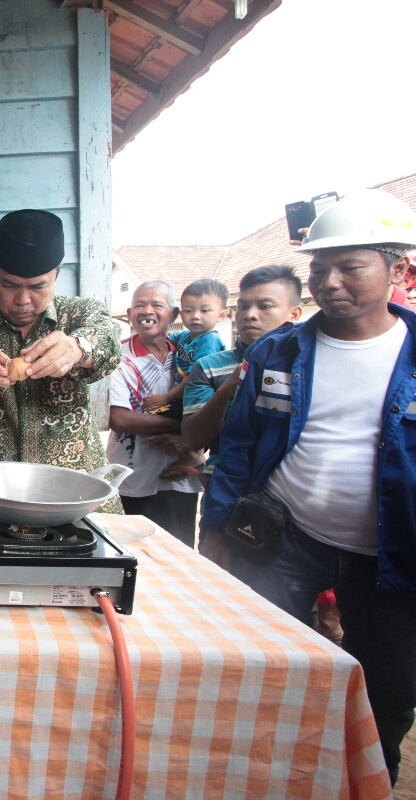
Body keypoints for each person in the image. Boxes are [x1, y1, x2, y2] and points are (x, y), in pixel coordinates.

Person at [199, 189, 416, 784]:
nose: (330, 282)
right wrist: (216, 533)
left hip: (393, 563)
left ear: (398, 270)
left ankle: (370, 783)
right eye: (320, 268)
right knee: (262, 671)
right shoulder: (279, 350)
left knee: (387, 693)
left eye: (350, 266)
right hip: (283, 542)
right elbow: (238, 447)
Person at [0, 209, 121, 490]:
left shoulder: (77, 314)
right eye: (9, 285)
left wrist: (78, 348)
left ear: (57, 273)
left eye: (38, 286)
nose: (23, 299)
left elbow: (109, 339)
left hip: (72, 491)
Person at [180, 265, 304, 481]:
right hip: (226, 484)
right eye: (243, 307)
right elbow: (194, 439)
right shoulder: (209, 366)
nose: (250, 315)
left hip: (292, 484)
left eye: (265, 306)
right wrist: (226, 391)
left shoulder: (306, 366)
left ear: (294, 313)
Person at [106, 280, 203, 545]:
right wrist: (184, 427)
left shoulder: (187, 356)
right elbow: (119, 419)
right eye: (139, 305)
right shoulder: (118, 358)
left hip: (180, 476)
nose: (147, 311)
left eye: (157, 305)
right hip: (132, 476)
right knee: (133, 551)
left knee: (178, 550)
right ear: (129, 314)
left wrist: (187, 439)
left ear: (173, 314)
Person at [141, 278, 228, 416]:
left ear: (221, 315)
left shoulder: (209, 341)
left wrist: (166, 397)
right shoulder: (185, 336)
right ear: (180, 315)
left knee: (153, 416)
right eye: (188, 311)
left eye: (205, 310)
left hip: (201, 400)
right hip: (185, 396)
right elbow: (163, 339)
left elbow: (193, 378)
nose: (195, 316)